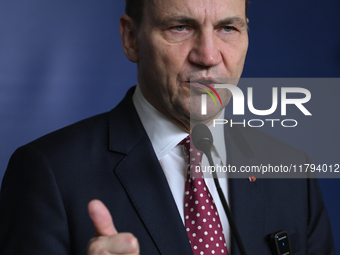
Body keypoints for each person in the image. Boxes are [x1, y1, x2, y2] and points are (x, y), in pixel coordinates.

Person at [0, 0, 335, 254]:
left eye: (228, 29)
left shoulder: (292, 171)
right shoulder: (49, 173)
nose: (208, 55)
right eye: (181, 27)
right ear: (131, 38)